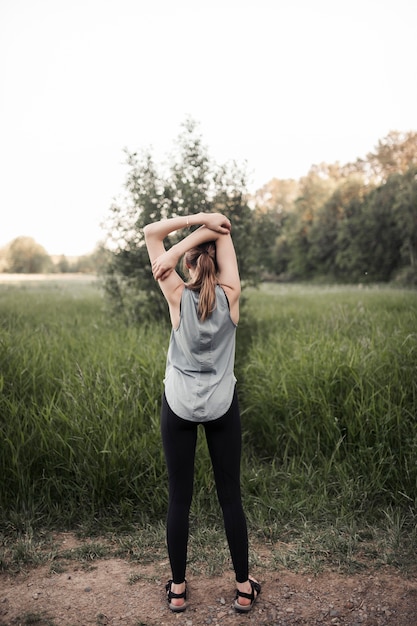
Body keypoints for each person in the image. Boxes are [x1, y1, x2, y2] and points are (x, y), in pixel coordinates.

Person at [144, 211, 261, 613]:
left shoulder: (176, 294)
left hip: (178, 403)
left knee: (180, 498)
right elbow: (223, 225)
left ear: (190, 262)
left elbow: (150, 232)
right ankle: (244, 589)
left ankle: (178, 590)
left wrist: (178, 242)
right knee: (231, 498)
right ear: (217, 261)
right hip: (220, 404)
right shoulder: (231, 296)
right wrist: (208, 225)